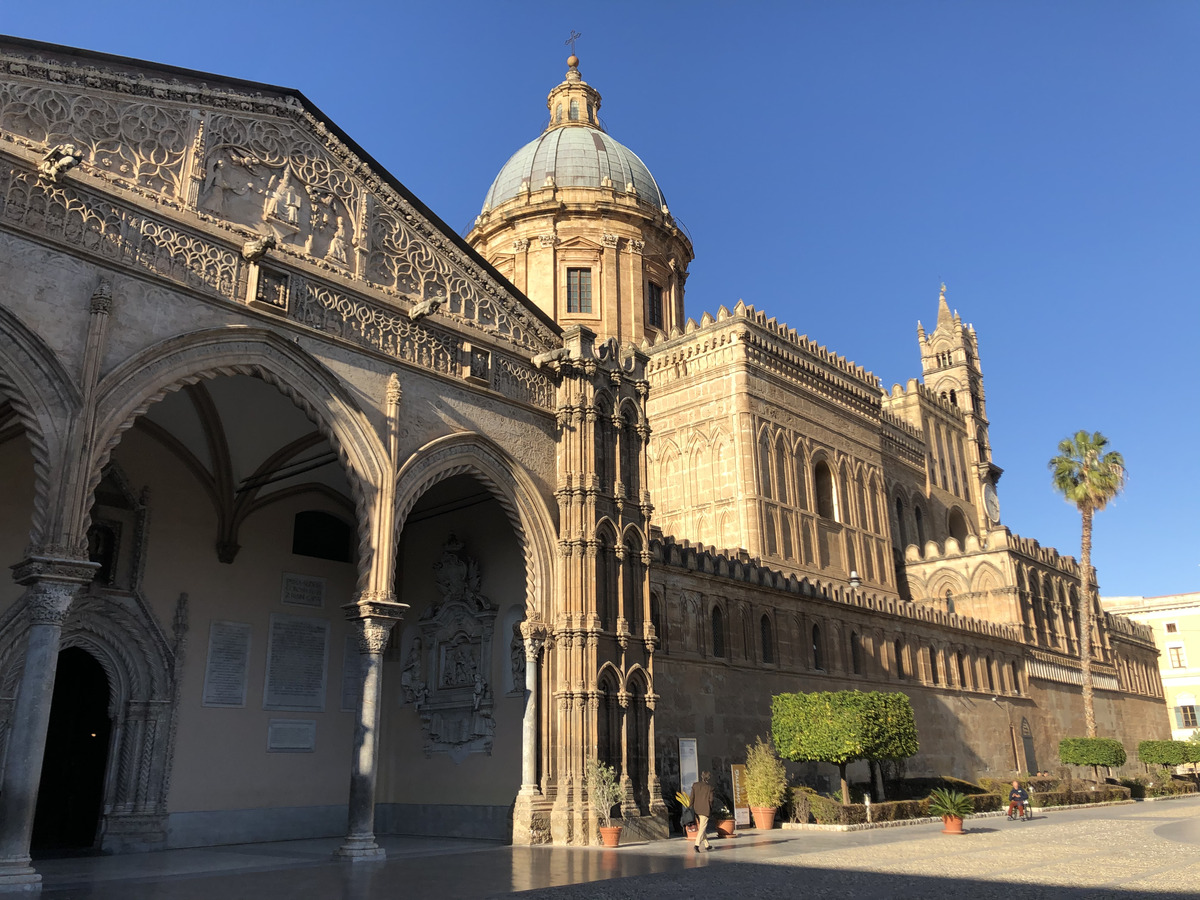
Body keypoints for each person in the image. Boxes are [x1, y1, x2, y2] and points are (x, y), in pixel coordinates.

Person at [689, 771, 714, 852]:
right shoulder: (710, 787)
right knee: (702, 828)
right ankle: (696, 845)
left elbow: (692, 797)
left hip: (696, 809)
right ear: (709, 778)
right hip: (705, 809)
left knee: (702, 827)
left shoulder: (695, 785)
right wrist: (710, 808)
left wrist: (690, 806)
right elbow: (711, 800)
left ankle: (707, 845)